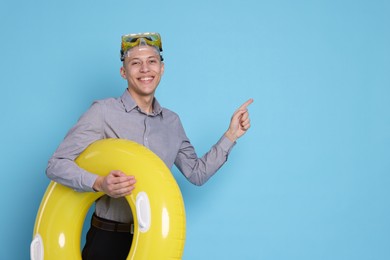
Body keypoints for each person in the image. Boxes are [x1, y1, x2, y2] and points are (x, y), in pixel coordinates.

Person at [46, 32, 253, 260]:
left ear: (161, 69)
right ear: (124, 72)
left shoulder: (172, 123)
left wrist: (231, 135)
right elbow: (55, 165)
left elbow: (197, 173)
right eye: (136, 63)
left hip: (154, 240)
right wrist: (98, 183)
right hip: (107, 239)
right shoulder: (103, 112)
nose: (145, 69)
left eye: (151, 62)